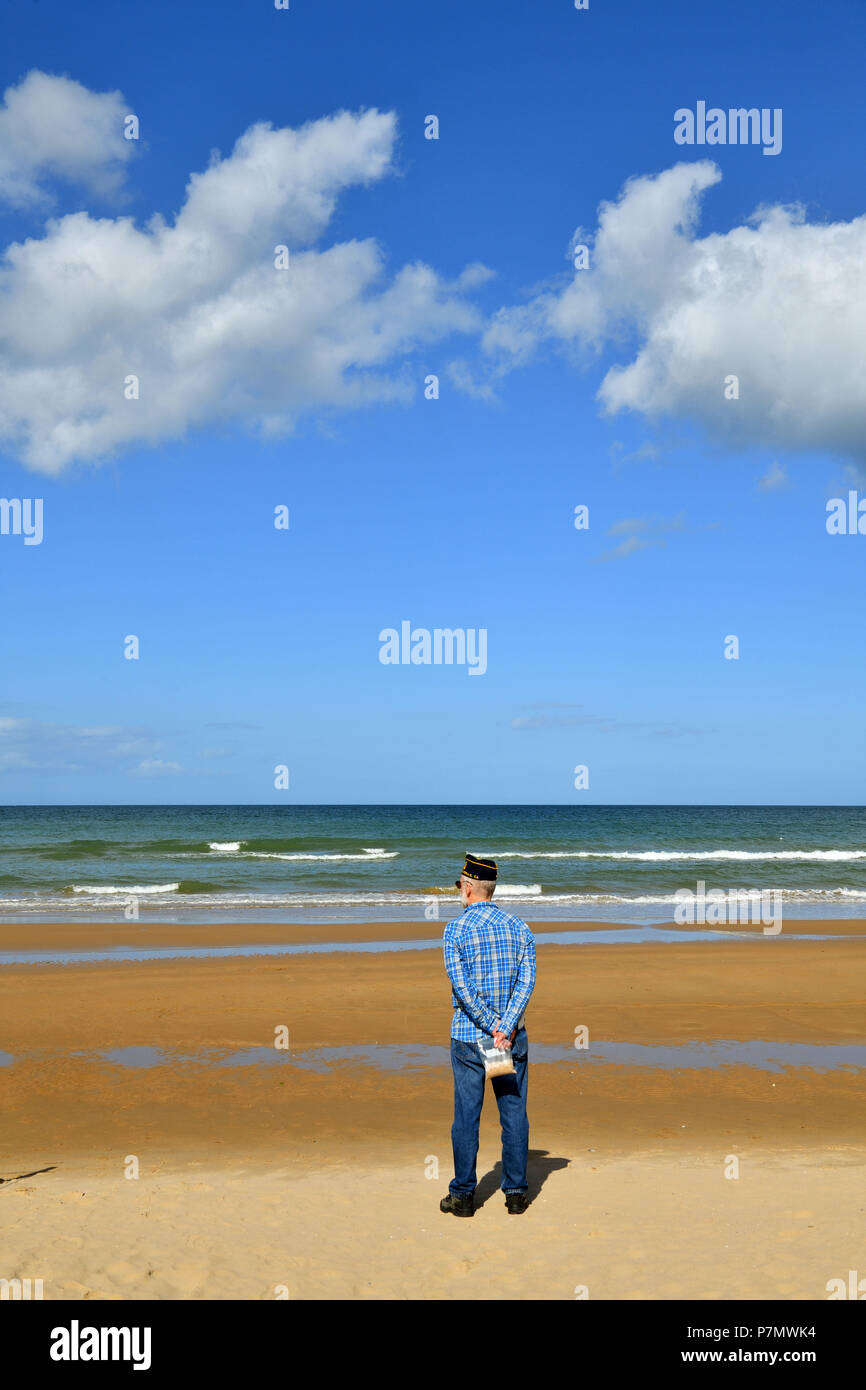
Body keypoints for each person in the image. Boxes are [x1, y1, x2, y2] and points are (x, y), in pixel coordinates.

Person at [440, 853, 536, 1217]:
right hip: (507, 1039)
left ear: (468, 887)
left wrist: (491, 1025)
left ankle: (463, 1195)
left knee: (467, 1115)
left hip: (470, 1038)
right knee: (513, 1113)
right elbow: (526, 982)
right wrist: (505, 1025)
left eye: (459, 887)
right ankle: (515, 1194)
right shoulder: (519, 927)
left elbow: (462, 989)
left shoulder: (455, 930)